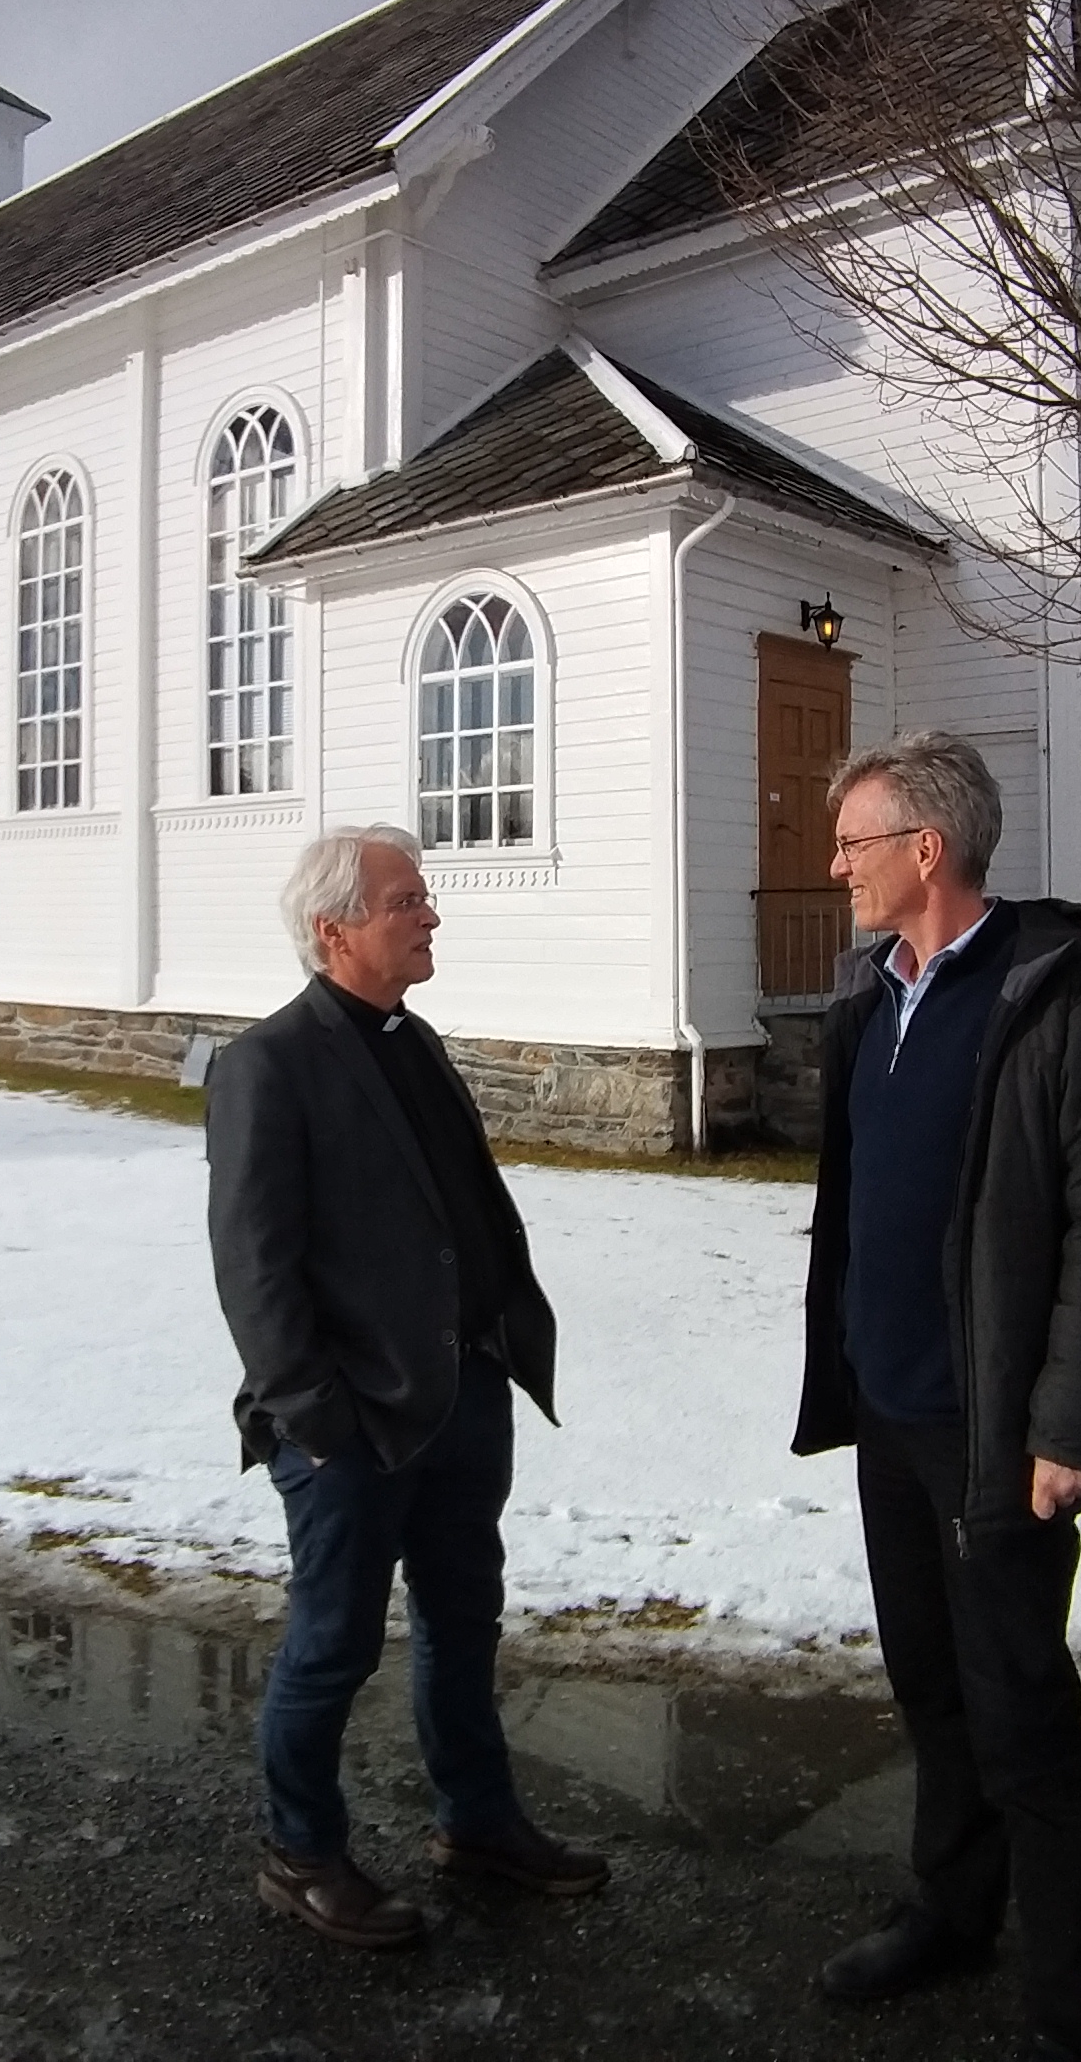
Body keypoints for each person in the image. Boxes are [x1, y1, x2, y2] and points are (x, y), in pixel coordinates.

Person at [794, 733, 1081, 2062]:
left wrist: (1071, 1428)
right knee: (932, 1692)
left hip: (999, 1433)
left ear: (927, 849)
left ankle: (1074, 2027)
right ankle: (953, 1915)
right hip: (892, 1417)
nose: (832, 862)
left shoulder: (1066, 1003)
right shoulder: (873, 999)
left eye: (852, 841)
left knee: (1023, 1723)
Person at [205, 825, 609, 1949]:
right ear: (335, 929)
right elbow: (255, 1264)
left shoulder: (413, 1042)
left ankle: (476, 1821)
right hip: (352, 1421)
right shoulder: (268, 1065)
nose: (429, 915)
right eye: (406, 901)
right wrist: (314, 1416)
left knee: (461, 1620)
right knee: (331, 1642)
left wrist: (497, 1341)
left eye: (424, 898)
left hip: (462, 1392)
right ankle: (301, 1852)